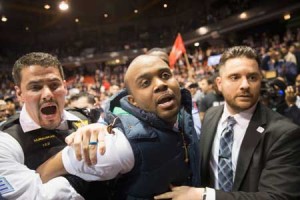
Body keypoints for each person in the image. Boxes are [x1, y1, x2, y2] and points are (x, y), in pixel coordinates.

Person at [38, 54, 201, 199]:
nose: (160, 84)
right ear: (133, 101)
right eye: (145, 83)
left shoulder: (184, 113)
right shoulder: (115, 145)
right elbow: (44, 173)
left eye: (165, 75)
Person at [155, 46, 300, 200]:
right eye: (234, 77)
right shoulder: (211, 116)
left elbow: (279, 197)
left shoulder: (284, 133)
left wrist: (204, 196)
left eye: (252, 77)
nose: (245, 85)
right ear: (219, 83)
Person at [0, 52, 113, 199]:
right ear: (19, 93)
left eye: (54, 85)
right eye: (35, 87)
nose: (48, 94)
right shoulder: (6, 142)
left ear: (65, 86)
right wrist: (70, 161)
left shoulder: (89, 117)